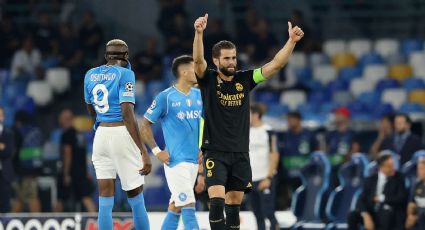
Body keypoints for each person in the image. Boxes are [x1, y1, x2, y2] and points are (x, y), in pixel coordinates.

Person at [192, 13, 304, 229]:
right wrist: (199, 33)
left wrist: (291, 42)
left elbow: (275, 65)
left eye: (233, 57)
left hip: (241, 153)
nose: (232, 62)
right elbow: (198, 61)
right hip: (215, 151)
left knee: (234, 203)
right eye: (226, 58)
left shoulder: (246, 79)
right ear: (216, 60)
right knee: (216, 201)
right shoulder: (208, 80)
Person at [84, 39, 152, 230]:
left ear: (106, 56)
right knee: (136, 197)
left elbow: (90, 107)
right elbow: (127, 113)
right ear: (127, 56)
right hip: (121, 132)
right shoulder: (126, 73)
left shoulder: (89, 74)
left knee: (105, 200)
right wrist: (143, 150)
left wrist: (98, 125)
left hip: (101, 135)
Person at [141, 55, 202, 229]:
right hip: (176, 163)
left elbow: (206, 124)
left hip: (193, 161)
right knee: (189, 208)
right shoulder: (165, 97)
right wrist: (156, 151)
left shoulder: (200, 95)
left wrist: (204, 148)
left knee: (175, 206)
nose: (199, 70)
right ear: (184, 72)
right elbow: (144, 125)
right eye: (194, 67)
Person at [347, 152, 408, 230]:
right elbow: (361, 199)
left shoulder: (399, 178)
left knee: (385, 212)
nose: (393, 168)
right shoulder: (370, 179)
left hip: (390, 213)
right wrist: (365, 214)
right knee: (352, 215)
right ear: (381, 167)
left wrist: (382, 198)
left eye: (393, 165)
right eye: (389, 166)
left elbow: (401, 198)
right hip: (371, 213)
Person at [54, 109, 96, 212]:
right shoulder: (80, 135)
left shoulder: (66, 134)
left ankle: (53, 224)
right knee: (86, 198)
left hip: (71, 172)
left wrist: (66, 173)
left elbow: (67, 154)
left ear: (64, 120)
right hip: (81, 172)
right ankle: (95, 222)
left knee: (60, 199)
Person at [248, 104, 279, 230]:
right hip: (250, 179)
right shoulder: (245, 132)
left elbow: (274, 153)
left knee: (269, 212)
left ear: (256, 114)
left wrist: (268, 177)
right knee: (257, 214)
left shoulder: (269, 131)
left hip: (264, 178)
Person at [279, 111, 319, 208]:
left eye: (291, 119)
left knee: (306, 194)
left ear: (298, 120)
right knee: (290, 193)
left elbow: (316, 152)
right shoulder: (285, 135)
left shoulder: (309, 135)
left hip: (306, 173)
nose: (289, 122)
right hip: (289, 173)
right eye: (288, 120)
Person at [0, 107, 15, 213]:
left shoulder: (8, 133)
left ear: (3, 117)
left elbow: (8, 152)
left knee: (5, 205)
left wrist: (4, 148)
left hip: (4, 174)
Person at [406, 158, 425, 229]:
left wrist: (416, 217)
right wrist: (410, 216)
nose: (419, 171)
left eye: (422, 169)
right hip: (417, 221)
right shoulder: (416, 184)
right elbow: (411, 203)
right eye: (418, 169)